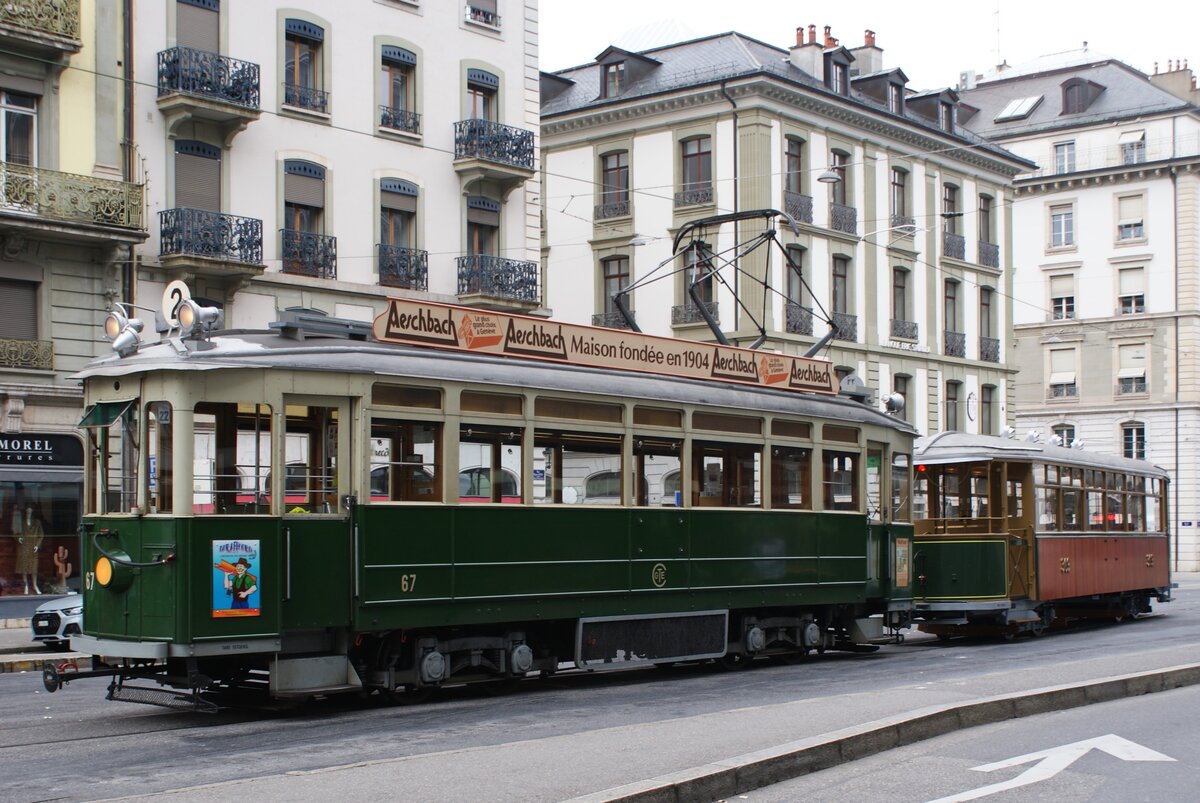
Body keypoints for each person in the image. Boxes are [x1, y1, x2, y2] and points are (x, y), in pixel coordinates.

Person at [15, 505, 43, 595]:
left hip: (33, 547)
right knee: (24, 567)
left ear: (33, 510)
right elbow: (16, 532)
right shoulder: (21, 522)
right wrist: (18, 538)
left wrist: (37, 545)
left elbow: (41, 535)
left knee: (34, 568)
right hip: (24, 547)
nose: (29, 511)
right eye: (27, 510)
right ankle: (25, 585)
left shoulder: (37, 522)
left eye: (30, 510)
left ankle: (35, 585)